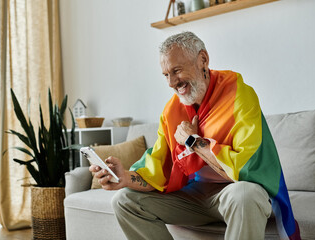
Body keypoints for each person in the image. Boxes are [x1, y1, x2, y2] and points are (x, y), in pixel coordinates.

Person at [89, 32, 301, 240]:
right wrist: (124, 177)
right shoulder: (171, 111)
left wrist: (193, 141)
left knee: (245, 195)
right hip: (195, 195)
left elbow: (244, 169)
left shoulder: (239, 95)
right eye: (166, 75)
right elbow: (159, 167)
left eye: (177, 70)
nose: (172, 82)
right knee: (124, 201)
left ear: (203, 60)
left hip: (233, 192)